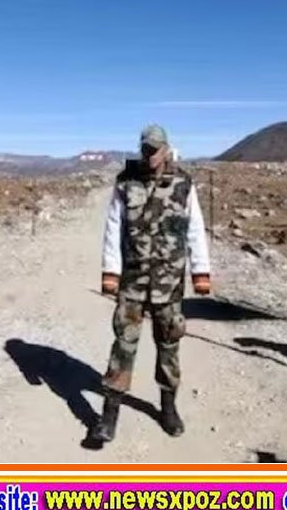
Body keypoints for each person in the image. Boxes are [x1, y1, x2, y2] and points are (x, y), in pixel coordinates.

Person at [90, 124, 211, 443]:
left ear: (167, 149)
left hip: (169, 283)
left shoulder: (184, 183)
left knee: (169, 346)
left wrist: (201, 271)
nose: (150, 154)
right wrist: (110, 272)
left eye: (155, 149)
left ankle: (168, 408)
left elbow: (195, 229)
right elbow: (113, 228)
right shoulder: (126, 182)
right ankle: (109, 416)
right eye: (145, 148)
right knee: (123, 345)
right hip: (132, 281)